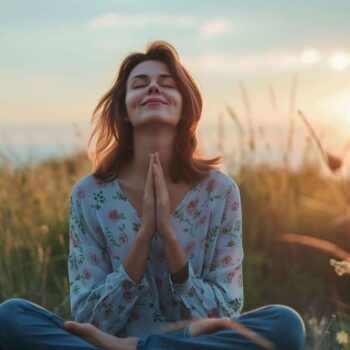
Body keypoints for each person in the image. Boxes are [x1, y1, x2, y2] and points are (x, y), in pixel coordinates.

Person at [0, 41, 305, 350]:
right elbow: (91, 320)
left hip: (164, 345)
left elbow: (223, 314)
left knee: (284, 323)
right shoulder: (89, 194)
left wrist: (170, 238)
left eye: (167, 84)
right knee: (11, 316)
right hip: (113, 342)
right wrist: (144, 234)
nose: (154, 89)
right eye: (140, 84)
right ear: (125, 109)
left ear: (185, 105)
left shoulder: (219, 192)